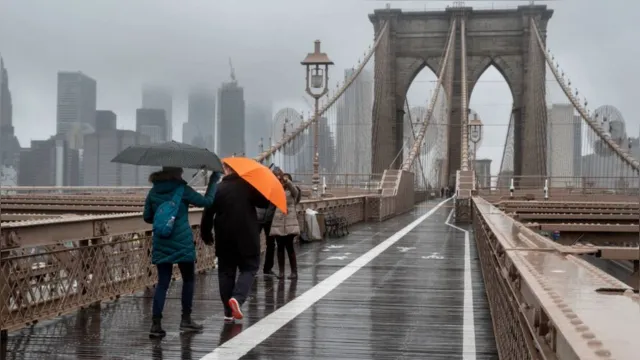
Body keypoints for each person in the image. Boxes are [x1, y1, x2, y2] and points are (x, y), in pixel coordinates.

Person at [143, 167, 221, 338]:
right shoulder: (182, 189)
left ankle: (156, 325)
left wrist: (163, 216)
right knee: (188, 279)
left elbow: (147, 217)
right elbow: (207, 202)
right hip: (182, 241)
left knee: (162, 282)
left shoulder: (153, 191)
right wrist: (213, 180)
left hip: (162, 240)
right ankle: (186, 320)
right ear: (176, 173)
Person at [200, 163, 270, 322]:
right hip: (248, 238)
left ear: (226, 170)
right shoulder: (248, 186)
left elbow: (207, 213)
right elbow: (265, 203)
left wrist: (206, 233)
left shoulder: (217, 189)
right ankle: (237, 299)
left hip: (224, 238)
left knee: (225, 273)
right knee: (250, 268)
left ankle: (227, 312)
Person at [269, 172, 301, 279]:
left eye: (286, 180)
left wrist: (287, 181)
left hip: (289, 222)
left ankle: (294, 272)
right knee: (280, 248)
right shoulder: (278, 190)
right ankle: (281, 272)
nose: (283, 181)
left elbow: (296, 192)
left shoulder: (293, 191)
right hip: (278, 222)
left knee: (290, 247)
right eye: (283, 180)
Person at [256, 201, 277, 276]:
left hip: (269, 219)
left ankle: (268, 268)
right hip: (257, 218)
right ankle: (254, 267)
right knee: (255, 243)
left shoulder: (275, 191)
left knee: (271, 244)